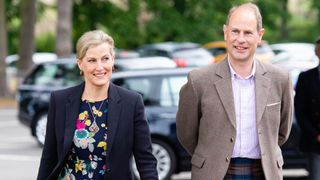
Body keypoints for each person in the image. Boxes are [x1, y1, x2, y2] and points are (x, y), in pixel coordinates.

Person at [176, 3, 293, 180]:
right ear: (225, 32)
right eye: (235, 31)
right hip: (213, 173)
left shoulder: (280, 79)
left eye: (248, 33)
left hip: (264, 173)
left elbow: (282, 132)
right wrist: (211, 157)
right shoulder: (198, 81)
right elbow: (186, 134)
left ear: (260, 35)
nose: (240, 39)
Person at [37, 30, 158, 180]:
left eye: (105, 59)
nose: (100, 67)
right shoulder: (60, 100)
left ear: (113, 60)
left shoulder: (132, 102)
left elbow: (145, 160)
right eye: (92, 60)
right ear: (80, 64)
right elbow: (49, 158)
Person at [294, 37, 320, 180]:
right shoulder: (305, 77)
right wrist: (315, 134)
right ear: (316, 52)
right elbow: (300, 111)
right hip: (314, 141)